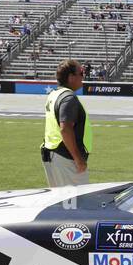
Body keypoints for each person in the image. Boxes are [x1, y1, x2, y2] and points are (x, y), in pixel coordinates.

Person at [42, 58, 91, 187]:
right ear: (71, 77)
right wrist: (78, 159)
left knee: (62, 203)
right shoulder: (69, 98)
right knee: (75, 203)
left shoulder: (55, 94)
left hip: (53, 153)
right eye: (80, 73)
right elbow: (65, 129)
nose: (83, 76)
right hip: (66, 158)